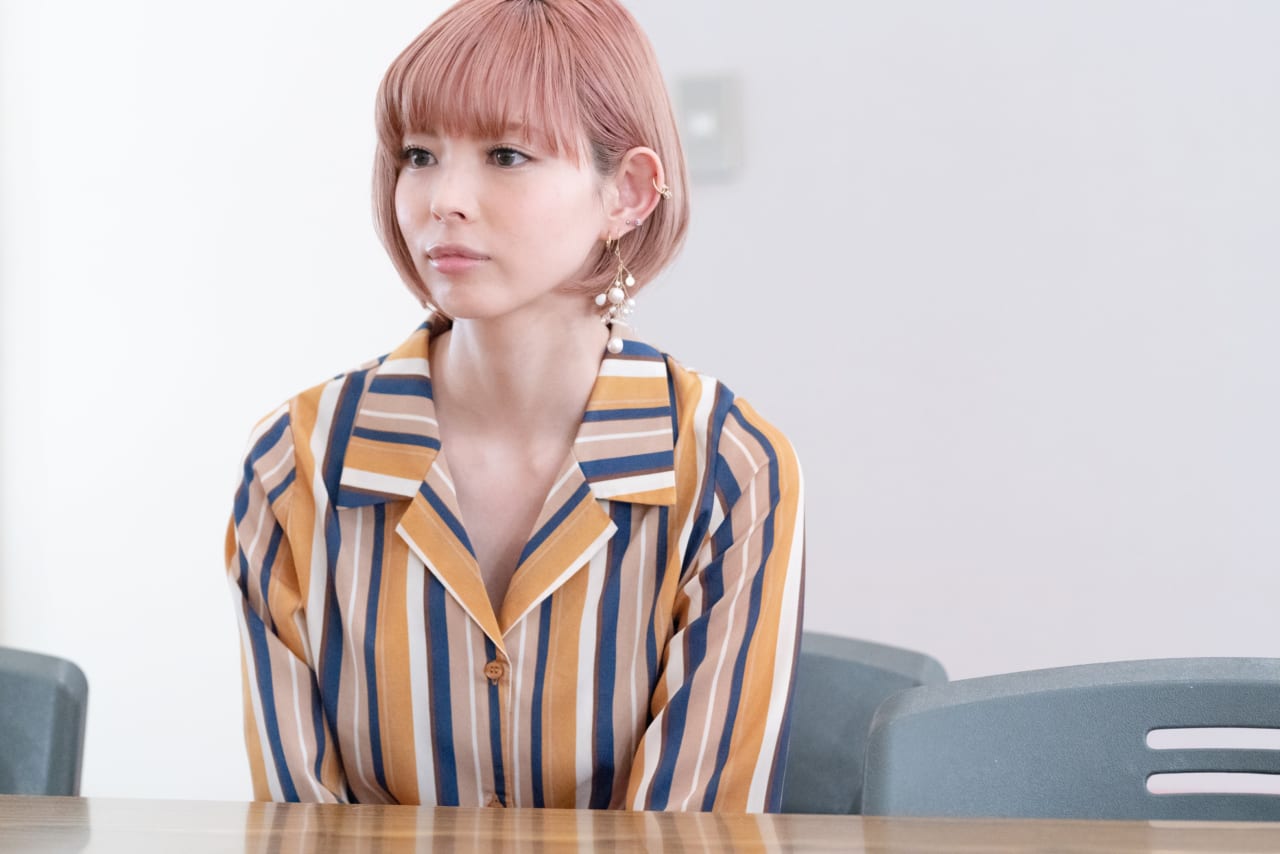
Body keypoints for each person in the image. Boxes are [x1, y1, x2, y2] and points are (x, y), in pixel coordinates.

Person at [226, 0, 804, 812]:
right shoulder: (294, 464)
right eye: (419, 154)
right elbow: (300, 826)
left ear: (628, 192)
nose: (444, 198)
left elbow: (693, 833)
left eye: (505, 154)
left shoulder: (730, 469)